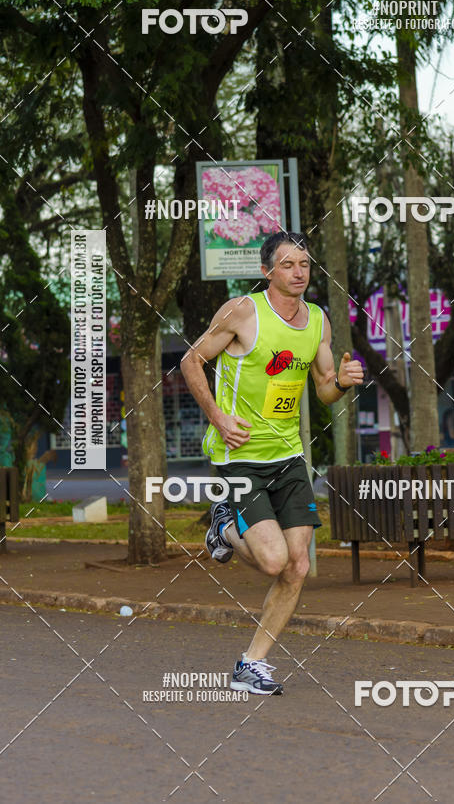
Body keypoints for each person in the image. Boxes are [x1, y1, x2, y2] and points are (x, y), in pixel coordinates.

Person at [180, 231, 364, 695]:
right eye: (288, 264)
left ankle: (251, 664)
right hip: (238, 456)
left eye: (304, 264)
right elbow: (190, 361)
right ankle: (223, 526)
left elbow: (323, 388)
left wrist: (340, 382)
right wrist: (218, 417)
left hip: (288, 457)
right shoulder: (243, 312)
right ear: (268, 271)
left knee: (297, 566)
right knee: (271, 560)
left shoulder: (317, 321)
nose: (299, 272)